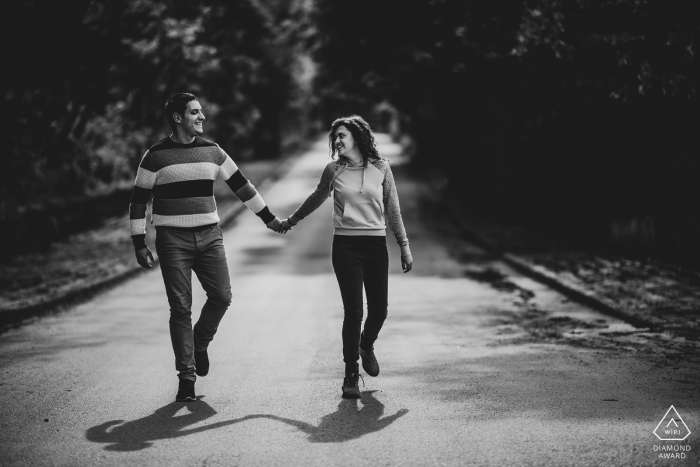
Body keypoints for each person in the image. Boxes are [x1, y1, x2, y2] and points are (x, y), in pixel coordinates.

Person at [129, 93, 284, 402]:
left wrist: (268, 218)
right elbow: (138, 200)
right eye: (194, 112)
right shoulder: (156, 156)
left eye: (201, 112)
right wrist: (138, 241)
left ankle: (200, 342)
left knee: (222, 296)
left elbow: (243, 186)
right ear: (177, 117)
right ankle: (186, 379)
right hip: (172, 240)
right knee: (180, 308)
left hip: (210, 236)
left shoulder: (213, 152)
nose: (202, 117)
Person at [280, 115, 413, 399]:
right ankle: (351, 375)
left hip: (376, 247)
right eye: (335, 137)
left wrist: (404, 245)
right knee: (354, 312)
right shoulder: (333, 170)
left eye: (342, 135)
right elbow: (317, 197)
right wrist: (291, 220)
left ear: (357, 137)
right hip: (346, 248)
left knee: (379, 310)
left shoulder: (381, 168)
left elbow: (392, 209)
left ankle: (366, 345)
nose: (337, 141)